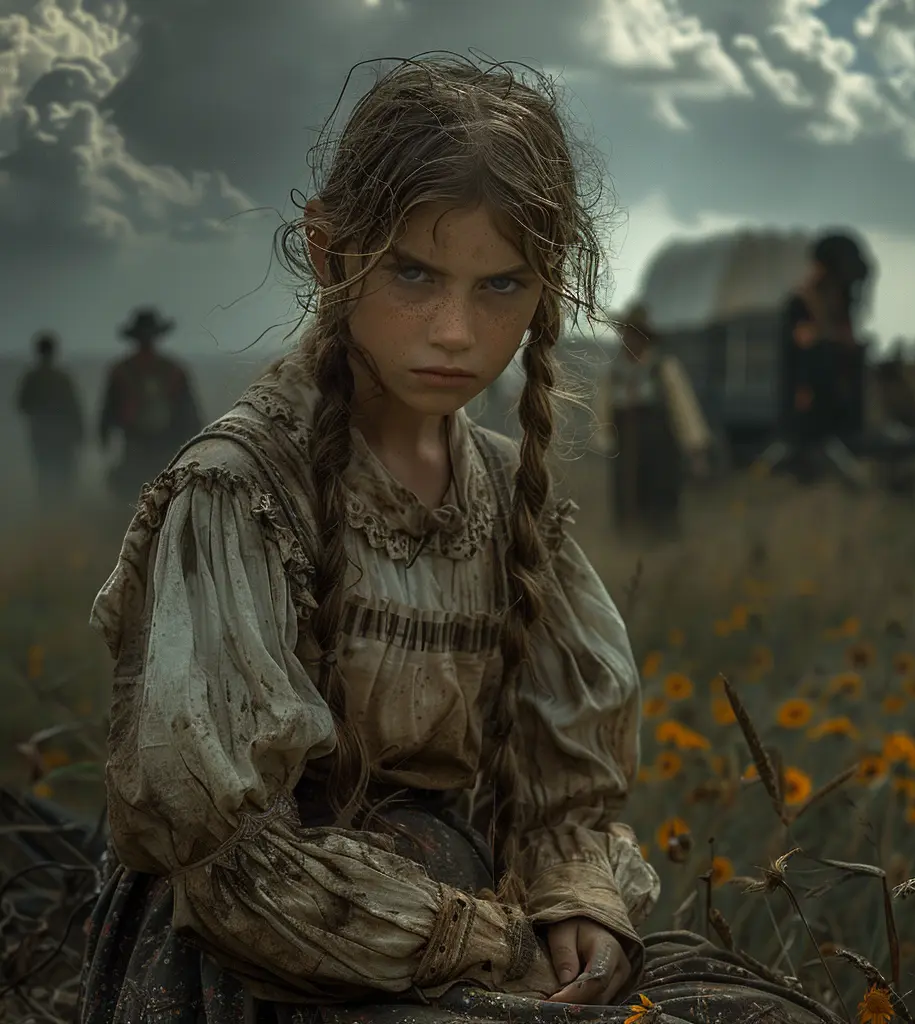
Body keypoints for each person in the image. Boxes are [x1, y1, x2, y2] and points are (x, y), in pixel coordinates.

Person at [78, 57, 842, 1024]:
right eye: (413, 273)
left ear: (544, 284)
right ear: (328, 249)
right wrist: (488, 944)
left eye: (501, 285)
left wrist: (576, 900)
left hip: (472, 913)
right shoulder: (239, 496)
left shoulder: (503, 496)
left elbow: (559, 793)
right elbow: (229, 867)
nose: (455, 330)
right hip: (270, 952)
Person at [596, 304, 711, 538]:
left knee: (662, 507)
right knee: (629, 503)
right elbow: (603, 412)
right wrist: (605, 442)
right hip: (627, 450)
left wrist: (695, 448)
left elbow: (684, 408)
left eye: (637, 335)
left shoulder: (663, 368)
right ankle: (630, 550)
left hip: (660, 451)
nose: (632, 341)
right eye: (628, 334)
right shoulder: (614, 372)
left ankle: (664, 555)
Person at [772, 230, 872, 485]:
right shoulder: (803, 302)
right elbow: (805, 347)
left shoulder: (836, 303)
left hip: (835, 396)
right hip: (810, 394)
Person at [97, 307, 203, 507]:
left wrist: (104, 435)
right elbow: (190, 413)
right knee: (163, 496)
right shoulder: (174, 370)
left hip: (145, 443)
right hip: (158, 443)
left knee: (137, 496)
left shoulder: (121, 371)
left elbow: (107, 412)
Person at [15, 331, 84, 502]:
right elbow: (74, 408)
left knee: (46, 473)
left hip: (44, 434)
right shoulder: (61, 377)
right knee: (60, 473)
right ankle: (58, 508)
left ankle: (50, 508)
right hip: (58, 433)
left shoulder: (33, 377)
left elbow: (22, 405)